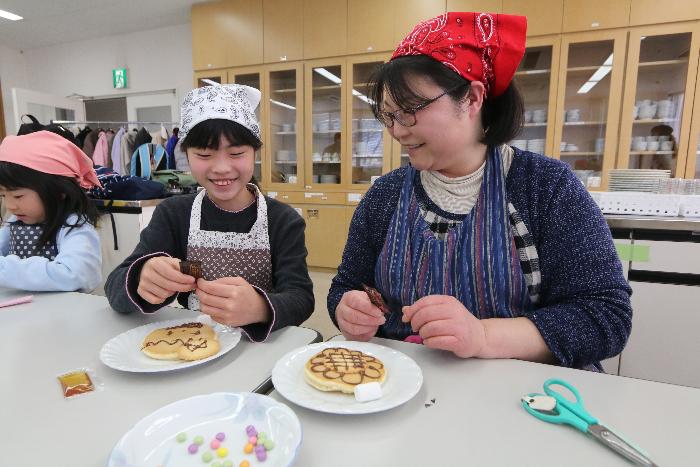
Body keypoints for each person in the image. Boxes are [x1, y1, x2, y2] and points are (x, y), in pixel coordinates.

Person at [328, 12, 632, 370]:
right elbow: (346, 285)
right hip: (404, 389)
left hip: (523, 394)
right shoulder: (385, 195)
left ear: (472, 99)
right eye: (388, 115)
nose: (396, 130)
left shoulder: (546, 188)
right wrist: (347, 308)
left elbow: (605, 317)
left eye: (409, 111)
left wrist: (483, 336)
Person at [105, 83, 314, 342]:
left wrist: (260, 308)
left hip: (259, 347)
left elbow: (301, 298)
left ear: (255, 153)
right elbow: (114, 288)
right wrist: (141, 276)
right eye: (204, 154)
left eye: (236, 153)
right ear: (186, 155)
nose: (221, 168)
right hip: (192, 343)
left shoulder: (282, 220)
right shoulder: (174, 214)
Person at [0, 130, 102, 292]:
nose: (10, 205)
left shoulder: (74, 227)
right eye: (3, 195)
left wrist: (5, 269)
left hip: (65, 313)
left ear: (58, 190)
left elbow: (76, 274)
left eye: (18, 196)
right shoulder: (15, 221)